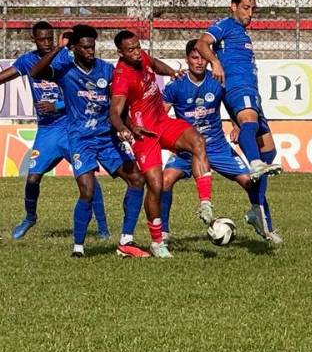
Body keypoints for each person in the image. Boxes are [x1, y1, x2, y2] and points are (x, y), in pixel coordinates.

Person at [29, 24, 150, 258]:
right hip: (81, 139)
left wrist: (126, 126)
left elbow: (118, 104)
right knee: (87, 190)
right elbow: (35, 73)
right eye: (84, 47)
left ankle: (126, 240)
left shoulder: (106, 70)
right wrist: (58, 48)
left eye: (92, 46)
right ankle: (78, 247)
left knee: (136, 179)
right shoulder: (65, 70)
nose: (90, 51)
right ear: (74, 48)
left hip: (106, 137)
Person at [109, 30, 219, 258]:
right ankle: (157, 242)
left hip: (162, 122)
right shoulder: (121, 77)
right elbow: (114, 112)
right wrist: (123, 128)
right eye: (131, 50)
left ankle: (205, 203)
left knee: (198, 141)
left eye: (138, 47)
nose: (138, 53)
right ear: (120, 52)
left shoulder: (141, 57)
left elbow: (154, 63)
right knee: (156, 187)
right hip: (144, 134)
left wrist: (172, 72)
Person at [161, 40, 281, 244]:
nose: (199, 62)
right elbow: (160, 115)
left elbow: (231, 105)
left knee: (251, 181)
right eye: (194, 58)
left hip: (217, 147)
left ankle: (264, 226)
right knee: (165, 181)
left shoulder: (217, 81)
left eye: (202, 58)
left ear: (209, 60)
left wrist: (236, 125)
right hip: (187, 150)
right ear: (187, 59)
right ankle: (163, 233)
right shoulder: (176, 85)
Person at [1, 21, 108, 240]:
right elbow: (4, 76)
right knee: (32, 178)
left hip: (71, 126)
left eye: (50, 38)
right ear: (34, 40)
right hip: (48, 130)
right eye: (42, 39)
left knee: (87, 177)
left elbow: (83, 94)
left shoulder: (67, 59)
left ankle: (103, 228)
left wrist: (57, 106)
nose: (47, 43)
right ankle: (30, 217)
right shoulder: (28, 61)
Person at [196, 0, 281, 181]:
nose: (250, 13)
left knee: (268, 151)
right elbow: (202, 43)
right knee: (250, 127)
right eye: (245, 8)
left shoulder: (242, 33)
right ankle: (254, 163)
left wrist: (235, 122)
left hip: (250, 89)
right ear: (233, 7)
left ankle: (257, 208)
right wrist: (215, 63)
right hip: (237, 85)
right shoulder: (226, 25)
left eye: (253, 9)